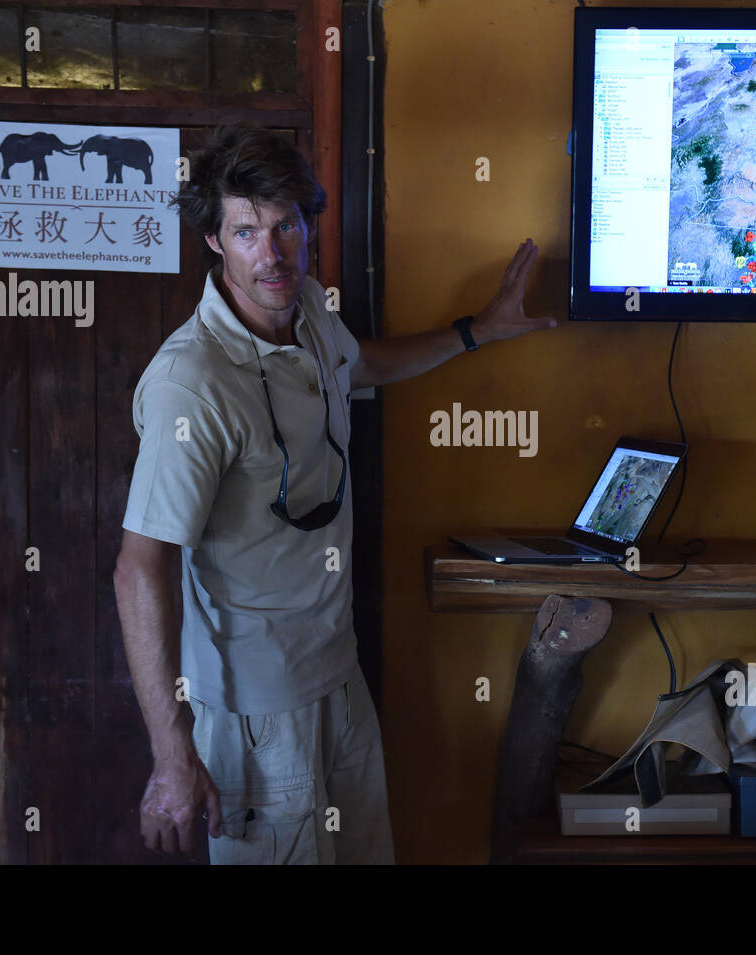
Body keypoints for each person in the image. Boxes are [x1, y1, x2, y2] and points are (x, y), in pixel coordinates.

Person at [112, 123, 554, 864]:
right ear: (216, 242)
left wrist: (478, 332)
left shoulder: (309, 310)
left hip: (337, 677)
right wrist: (171, 755)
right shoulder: (193, 384)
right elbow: (138, 567)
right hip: (256, 713)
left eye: (286, 225)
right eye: (247, 231)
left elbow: (361, 366)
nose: (272, 253)